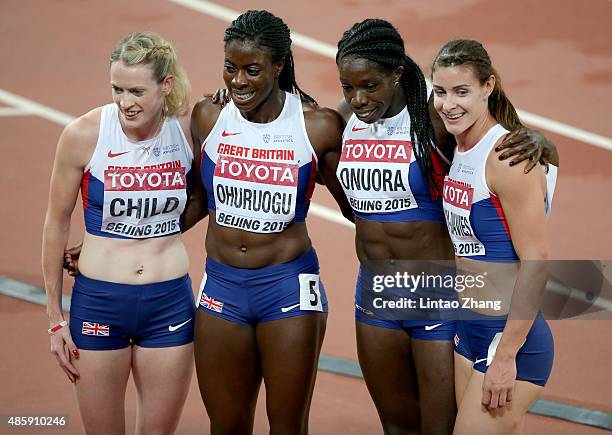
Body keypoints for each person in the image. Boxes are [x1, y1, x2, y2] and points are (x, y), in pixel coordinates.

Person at [334, 19, 558, 435]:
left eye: (461, 92)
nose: (358, 97)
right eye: (442, 92)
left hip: (449, 303)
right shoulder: (350, 119)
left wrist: (541, 141)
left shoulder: (443, 126)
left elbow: (536, 254)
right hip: (386, 298)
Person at [187, 10, 352, 435]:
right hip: (221, 286)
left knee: (288, 427)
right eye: (230, 68)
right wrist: (118, 240)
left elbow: (358, 207)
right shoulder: (208, 117)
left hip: (288, 288)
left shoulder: (316, 127)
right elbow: (194, 201)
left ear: (279, 65)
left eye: (252, 70)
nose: (238, 81)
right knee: (226, 426)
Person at [42, 32, 195, 435]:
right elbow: (56, 222)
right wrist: (55, 319)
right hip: (100, 303)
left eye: (137, 91)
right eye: (117, 89)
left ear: (166, 85)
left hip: (169, 305)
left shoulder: (189, 129)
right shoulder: (83, 135)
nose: (125, 102)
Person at [431, 39, 555, 434]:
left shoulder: (507, 158)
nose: (448, 104)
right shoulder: (460, 146)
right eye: (441, 91)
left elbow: (536, 262)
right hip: (468, 330)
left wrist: (505, 357)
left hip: (508, 340)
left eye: (461, 92)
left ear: (489, 87)